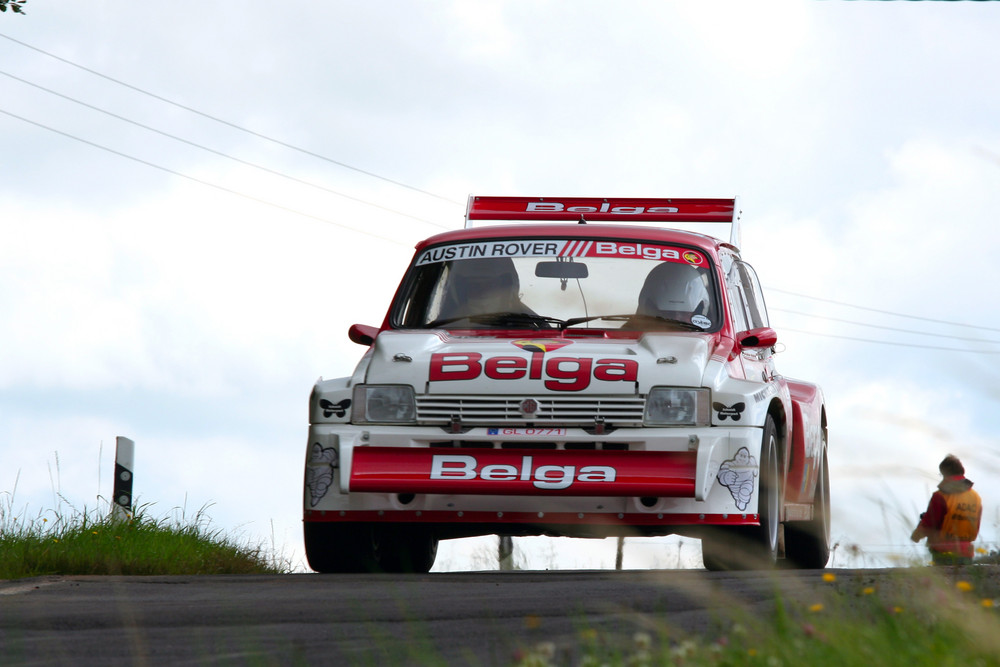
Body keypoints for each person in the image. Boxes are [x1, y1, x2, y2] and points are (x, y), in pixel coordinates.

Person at [910, 454, 982, 565]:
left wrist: (916, 536)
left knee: (944, 582)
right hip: (966, 552)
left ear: (944, 473)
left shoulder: (941, 496)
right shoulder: (976, 497)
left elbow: (929, 524)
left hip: (943, 552)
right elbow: (975, 526)